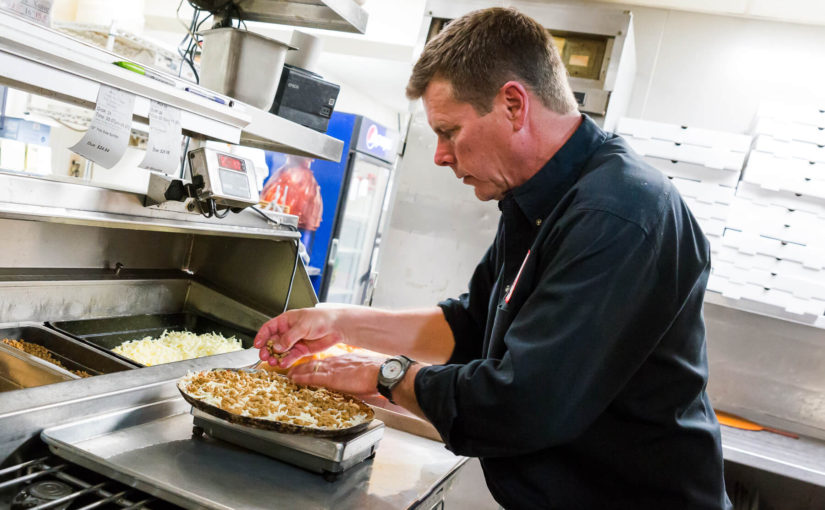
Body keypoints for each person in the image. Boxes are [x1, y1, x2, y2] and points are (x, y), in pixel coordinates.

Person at [254, 7, 731, 510]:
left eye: (449, 131)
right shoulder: (535, 200)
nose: (439, 154)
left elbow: (524, 403)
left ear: (512, 104)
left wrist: (388, 375)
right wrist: (340, 323)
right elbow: (470, 325)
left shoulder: (619, 216)